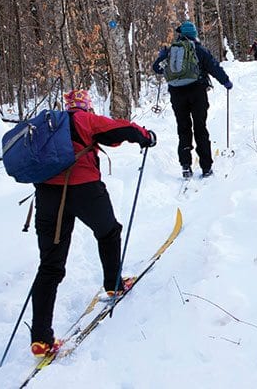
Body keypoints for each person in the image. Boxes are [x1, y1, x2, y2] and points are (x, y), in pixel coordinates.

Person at [30, 89, 156, 357]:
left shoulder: (49, 127)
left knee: (50, 266)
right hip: (85, 190)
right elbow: (120, 129)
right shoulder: (84, 120)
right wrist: (145, 136)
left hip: (48, 197)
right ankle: (114, 283)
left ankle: (40, 339)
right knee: (109, 232)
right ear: (86, 106)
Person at [152, 20, 232, 178]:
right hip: (197, 92)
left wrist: (162, 56)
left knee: (183, 128)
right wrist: (226, 82)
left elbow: (157, 68)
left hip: (177, 94)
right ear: (194, 34)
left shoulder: (171, 51)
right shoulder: (200, 50)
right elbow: (214, 67)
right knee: (200, 128)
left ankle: (185, 165)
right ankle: (206, 167)